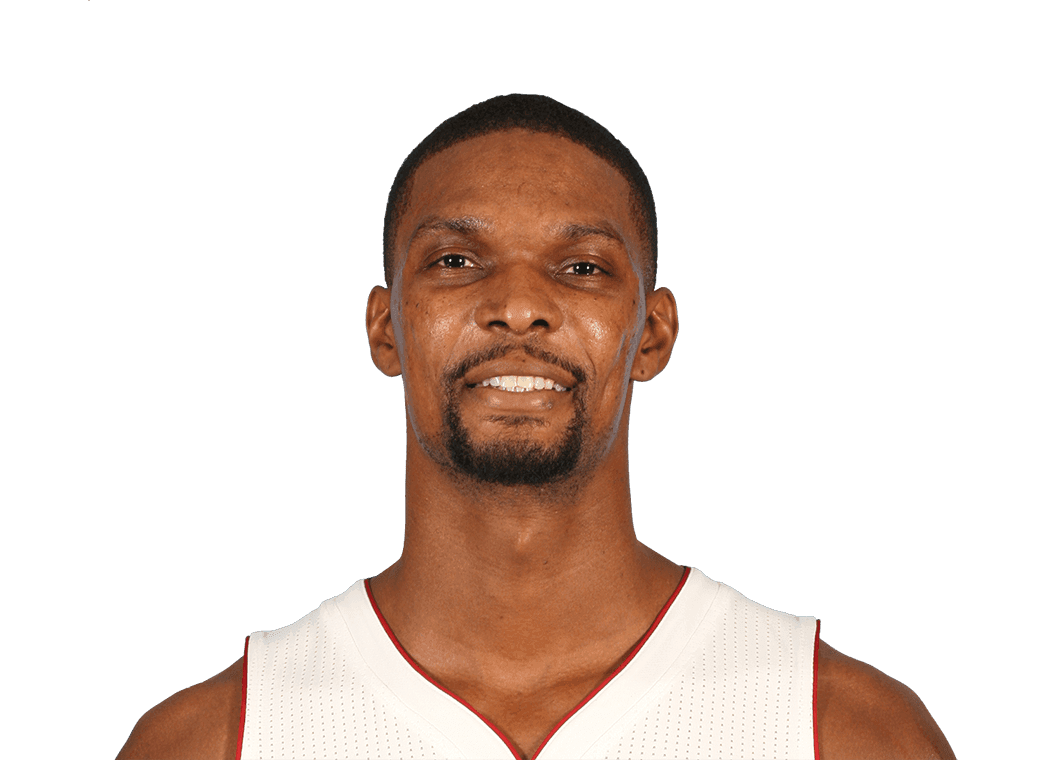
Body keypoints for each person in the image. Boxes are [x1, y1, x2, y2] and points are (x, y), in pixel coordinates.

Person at [117, 94, 955, 760]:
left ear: (652, 335)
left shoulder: (839, 731)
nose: (518, 306)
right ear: (385, 329)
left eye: (582, 267)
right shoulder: (219, 740)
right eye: (455, 261)